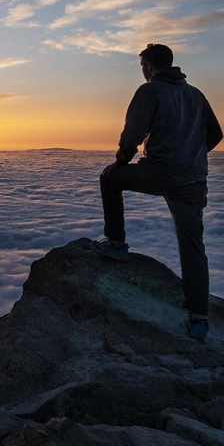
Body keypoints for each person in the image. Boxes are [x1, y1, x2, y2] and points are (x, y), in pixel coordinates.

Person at [92, 43, 222, 340]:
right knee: (193, 245)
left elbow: (132, 135)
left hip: (160, 172)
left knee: (109, 180)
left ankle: (116, 244)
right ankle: (199, 317)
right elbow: (216, 134)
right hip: (192, 179)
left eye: (142, 66)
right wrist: (192, 155)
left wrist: (120, 162)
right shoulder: (195, 94)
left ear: (148, 66)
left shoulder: (149, 91)